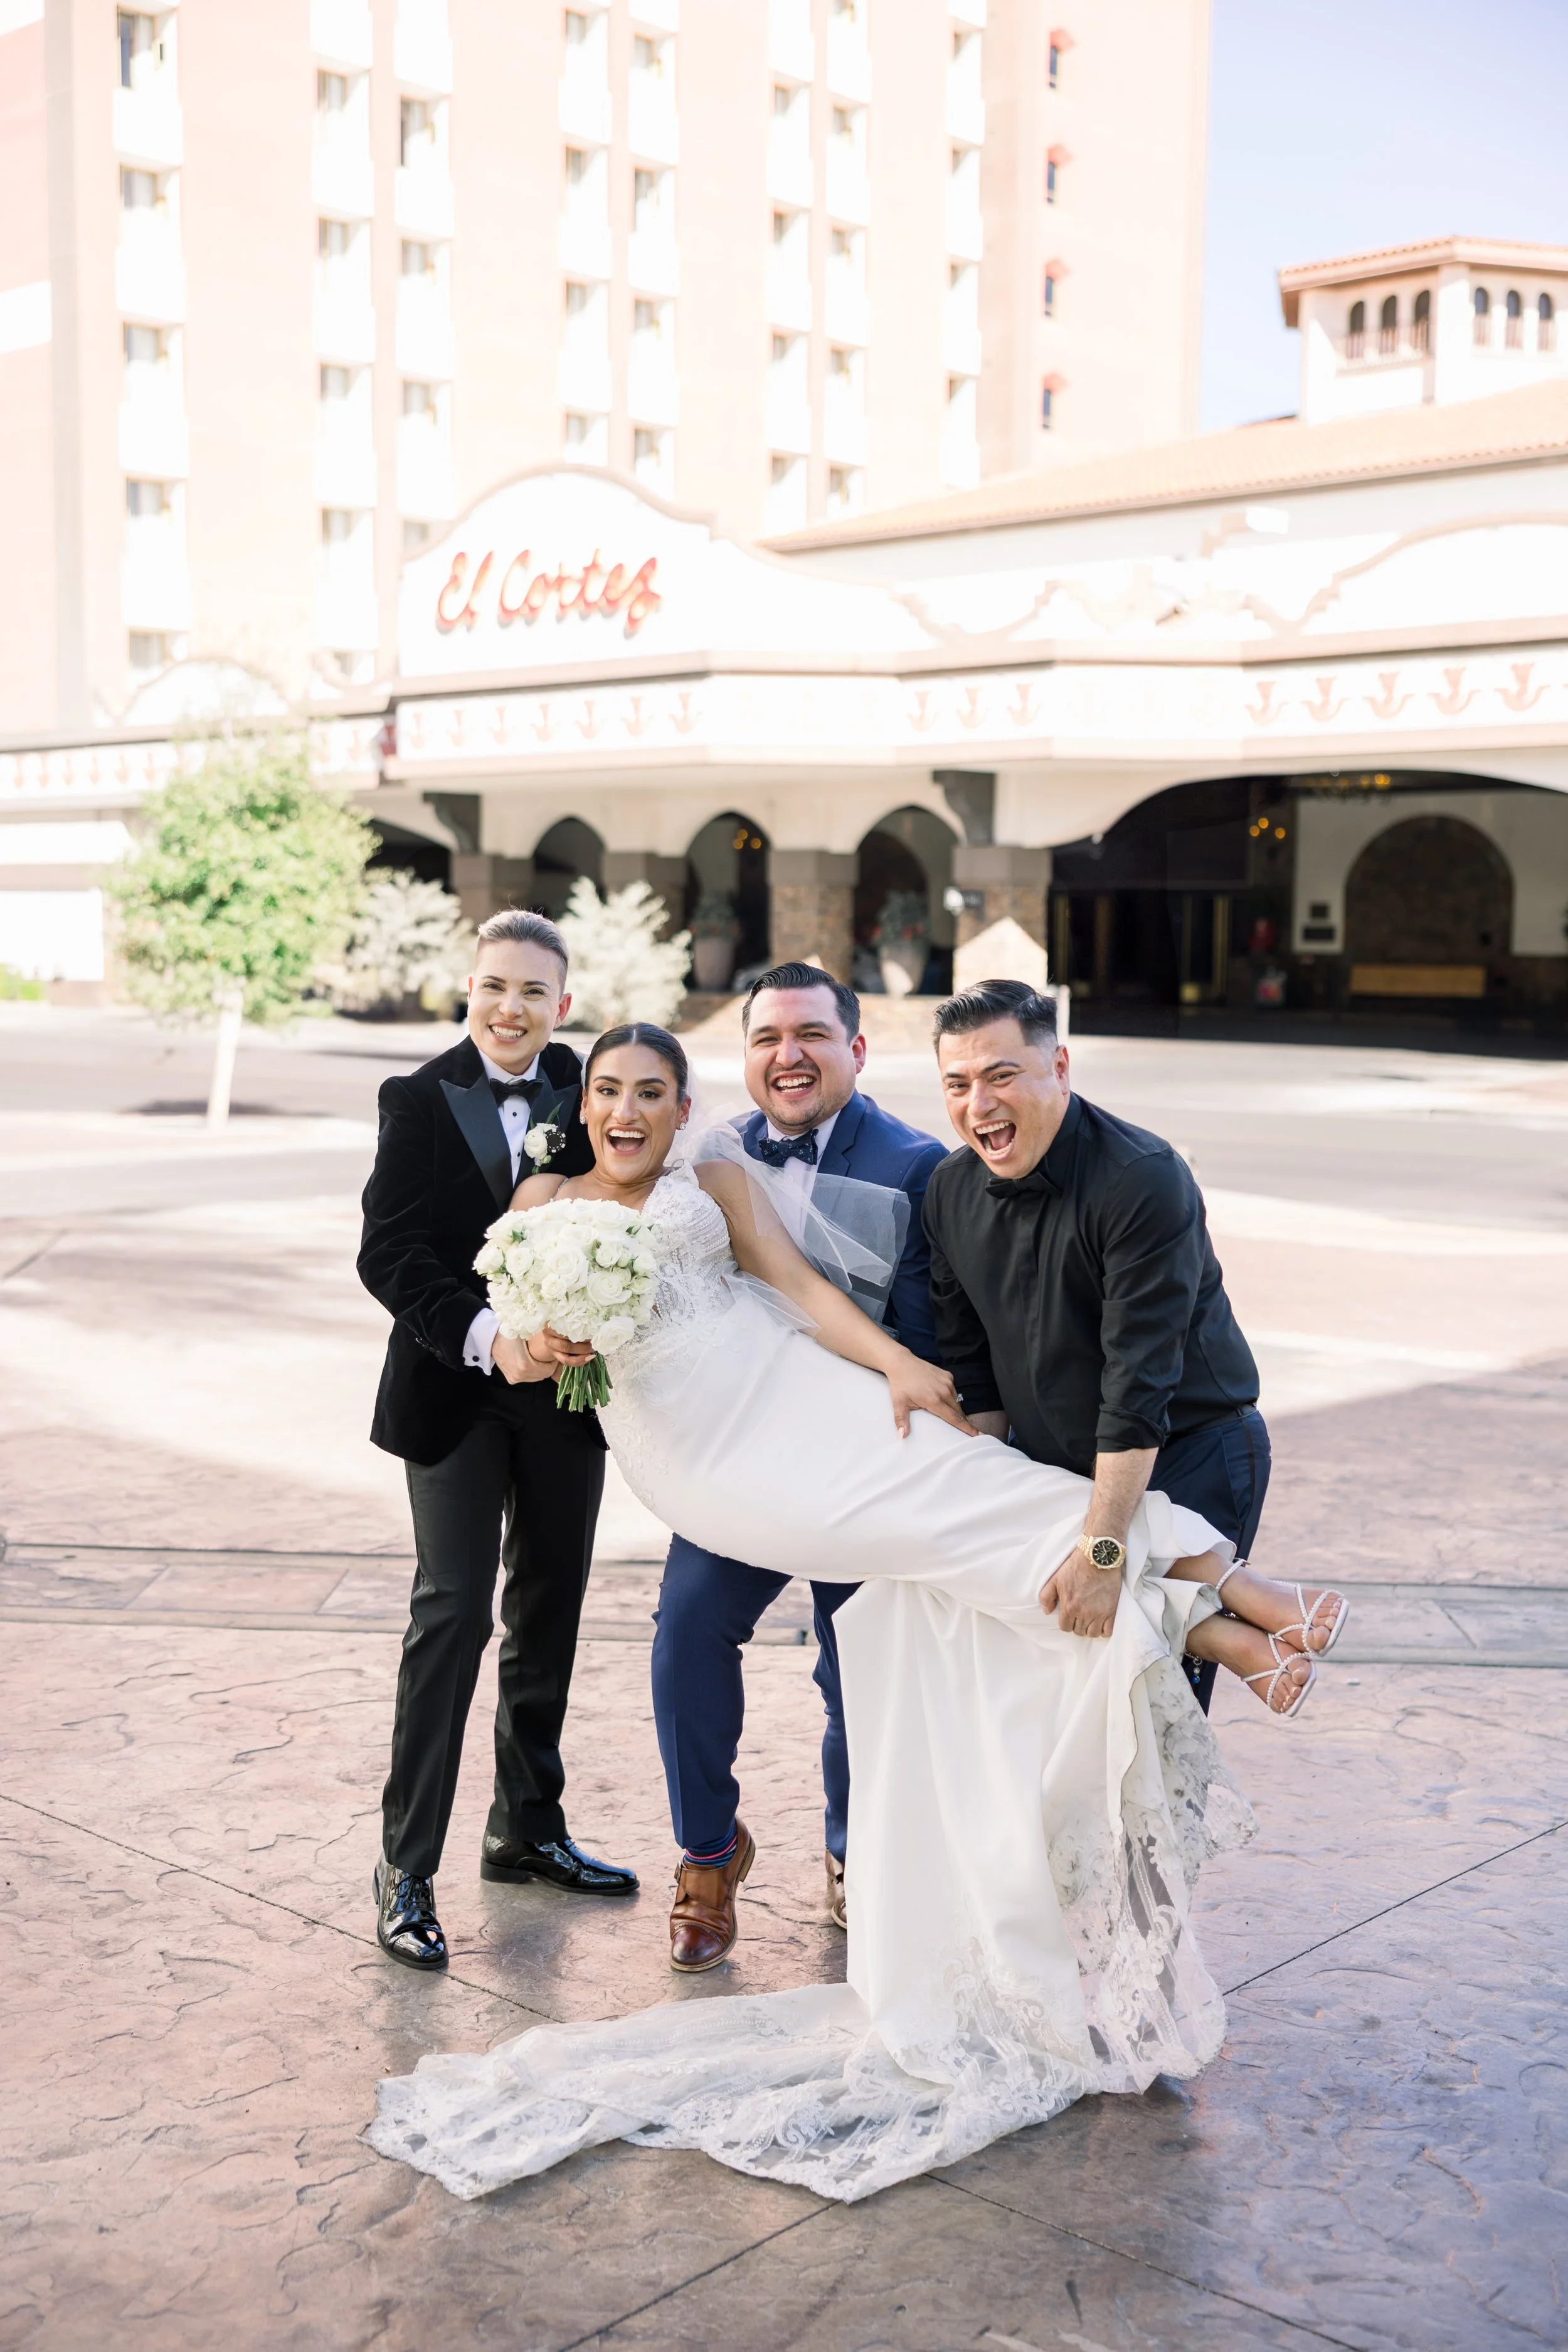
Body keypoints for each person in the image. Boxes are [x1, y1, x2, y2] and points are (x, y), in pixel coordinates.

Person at [369, 1023, 1343, 2203]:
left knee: (972, 1499)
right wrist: (543, 1341)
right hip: (708, 1456)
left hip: (794, 1391)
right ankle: (1231, 1597)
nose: (631, 1110)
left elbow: (798, 1289)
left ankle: (1230, 1617)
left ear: (685, 1107)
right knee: (951, 1516)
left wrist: (895, 1365)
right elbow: (519, 1357)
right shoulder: (538, 1196)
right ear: (592, 1103)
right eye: (613, 1090)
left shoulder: (714, 1173)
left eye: (655, 1092)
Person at [923, 979, 1347, 1714]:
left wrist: (1103, 1553)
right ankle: (1255, 1616)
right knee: (1073, 1704)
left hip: (1191, 1449)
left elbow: (1136, 1389)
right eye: (956, 1084)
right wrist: (997, 1506)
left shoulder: (1140, 1178)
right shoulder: (947, 1192)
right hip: (1063, 1474)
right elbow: (976, 1382)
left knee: (1154, 1716)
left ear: (1059, 1067)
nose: (978, 1106)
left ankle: (1238, 1627)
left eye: (1000, 1076)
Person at [357, 907, 637, 1973]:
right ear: (466, 991)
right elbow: (388, 1253)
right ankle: (404, 1866)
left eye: (533, 991)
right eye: (493, 987)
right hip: (455, 1388)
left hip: (567, 1394)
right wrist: (486, 1338)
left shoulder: (586, 1086)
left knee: (551, 1602)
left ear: (562, 1004)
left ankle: (527, 1828)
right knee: (455, 1613)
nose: (511, 1008)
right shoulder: (418, 1098)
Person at [650, 961, 946, 1968]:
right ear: (746, 1055)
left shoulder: (917, 1164)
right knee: (686, 1629)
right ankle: (707, 1852)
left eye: (813, 1034)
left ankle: (852, 1855)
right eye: (769, 1036)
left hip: (865, 1456)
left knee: (853, 1664)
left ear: (857, 1050)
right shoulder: (705, 1156)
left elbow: (934, 1325)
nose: (790, 1055)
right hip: (743, 1456)